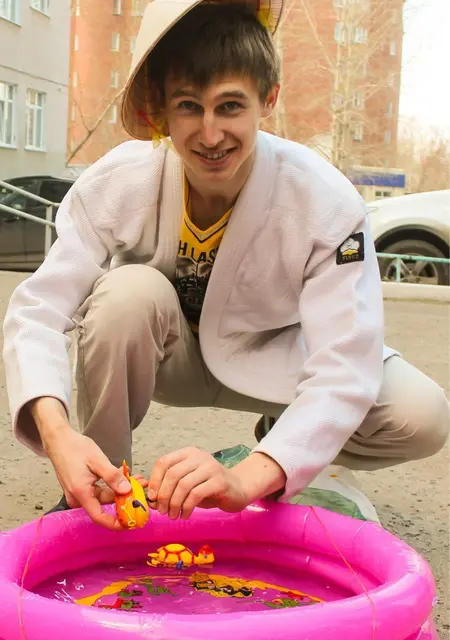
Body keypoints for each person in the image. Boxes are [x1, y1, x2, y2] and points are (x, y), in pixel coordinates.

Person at [2, 0, 449, 531]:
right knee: (125, 294)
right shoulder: (120, 180)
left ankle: (282, 439)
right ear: (162, 109)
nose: (211, 135)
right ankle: (101, 483)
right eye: (189, 106)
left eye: (230, 105)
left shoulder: (323, 200)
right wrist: (57, 435)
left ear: (268, 99)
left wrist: (251, 477)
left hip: (277, 361)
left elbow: (346, 363)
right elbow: (39, 309)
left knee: (422, 415)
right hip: (168, 355)